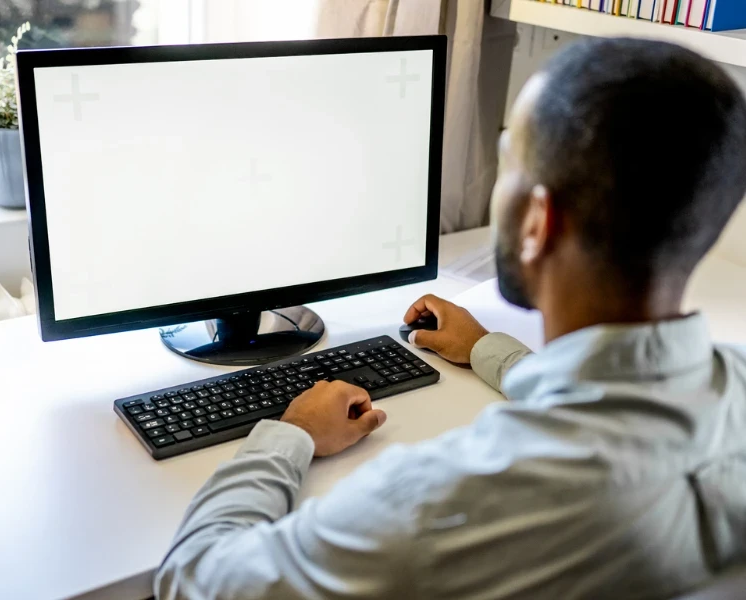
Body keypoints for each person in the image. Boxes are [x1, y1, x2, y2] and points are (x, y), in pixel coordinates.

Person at [154, 37, 746, 599]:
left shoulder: (437, 502)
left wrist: (291, 437)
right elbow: (616, 405)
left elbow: (194, 581)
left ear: (539, 222)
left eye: (508, 162)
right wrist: (489, 350)